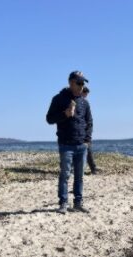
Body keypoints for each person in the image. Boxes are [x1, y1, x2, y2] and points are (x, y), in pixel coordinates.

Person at [46, 71, 93, 214]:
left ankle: (78, 203)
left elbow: (89, 122)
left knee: (79, 176)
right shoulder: (58, 99)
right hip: (66, 144)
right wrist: (64, 114)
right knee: (65, 175)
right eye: (79, 83)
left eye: (83, 83)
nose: (81, 86)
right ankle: (63, 203)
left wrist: (87, 140)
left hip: (81, 145)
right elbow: (49, 119)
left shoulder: (84, 102)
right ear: (71, 83)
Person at [81, 86, 98, 175]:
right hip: (78, 132)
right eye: (85, 94)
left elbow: (89, 120)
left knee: (88, 151)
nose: (86, 96)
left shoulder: (86, 103)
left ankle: (93, 169)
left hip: (86, 132)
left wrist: (88, 134)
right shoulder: (75, 102)